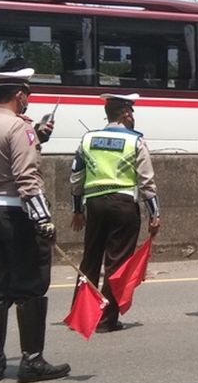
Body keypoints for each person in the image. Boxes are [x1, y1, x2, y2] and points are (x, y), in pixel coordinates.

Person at [0, 66, 70, 383]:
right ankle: (31, 361)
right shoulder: (19, 128)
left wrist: (37, 138)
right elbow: (27, 179)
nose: (28, 100)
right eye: (26, 94)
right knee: (30, 286)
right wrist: (44, 219)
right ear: (18, 95)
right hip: (17, 214)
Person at [69, 92, 162, 332]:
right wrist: (155, 214)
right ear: (125, 114)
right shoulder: (135, 141)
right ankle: (106, 319)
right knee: (117, 263)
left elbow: (76, 178)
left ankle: (81, 314)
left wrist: (77, 209)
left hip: (95, 205)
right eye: (131, 113)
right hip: (123, 206)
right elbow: (147, 182)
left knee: (90, 259)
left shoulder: (87, 139)